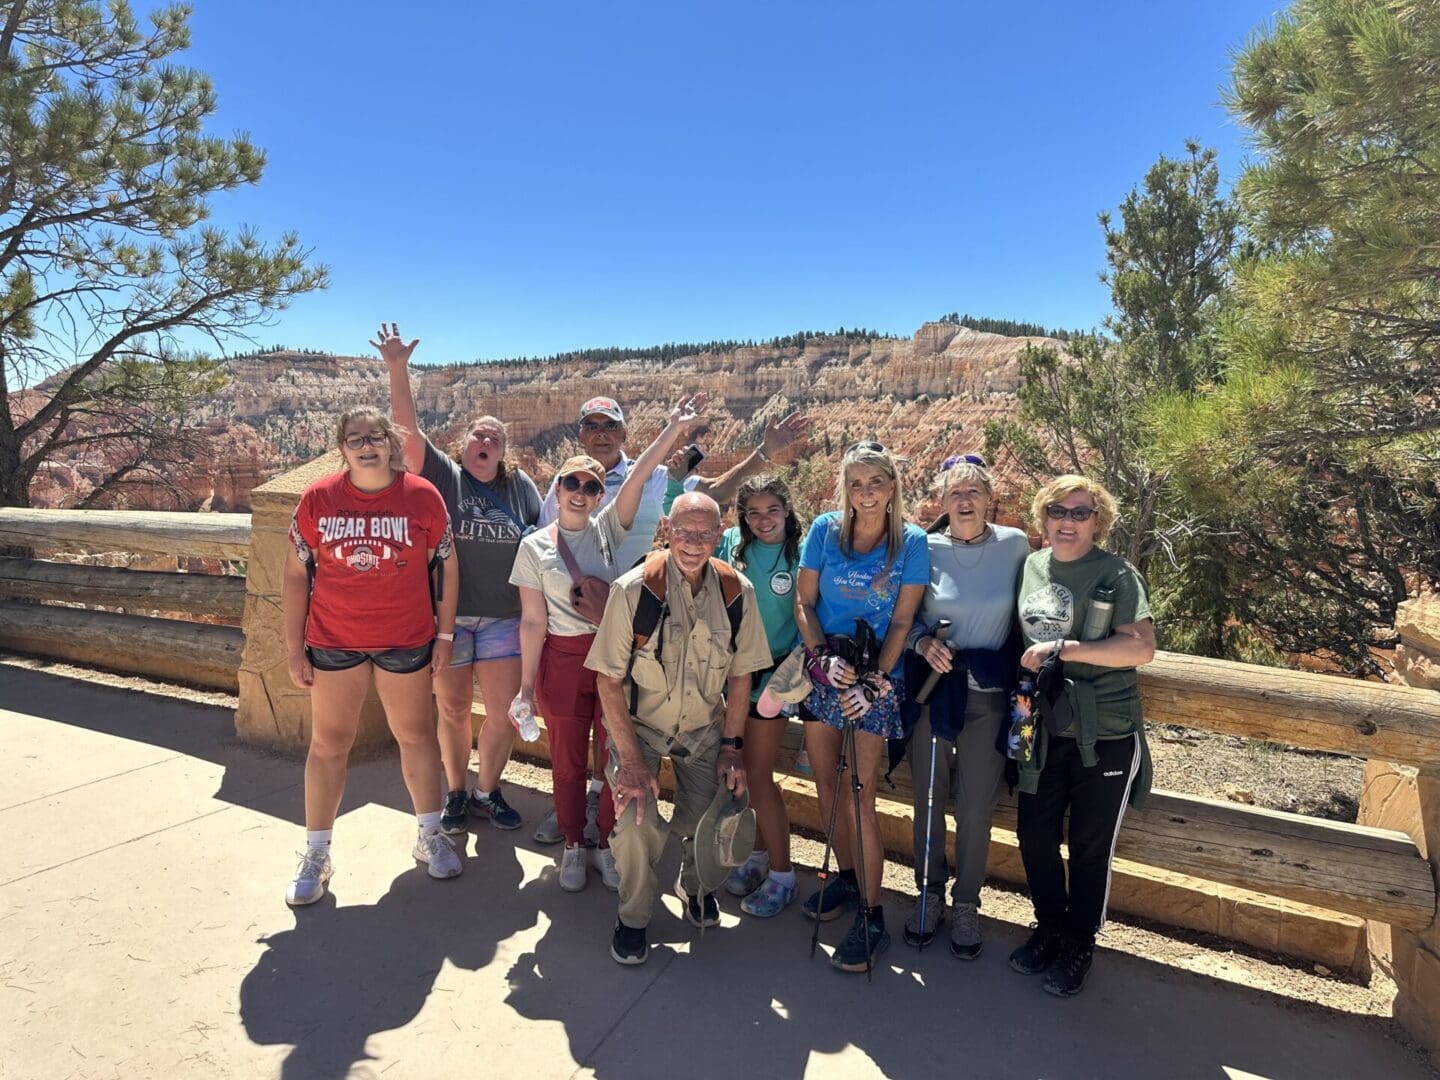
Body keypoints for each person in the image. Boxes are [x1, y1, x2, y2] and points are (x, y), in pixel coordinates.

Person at [530, 397, 808, 845]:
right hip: (578, 629)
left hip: (646, 625)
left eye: (610, 425)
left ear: (624, 432)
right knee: (574, 735)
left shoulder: (658, 476)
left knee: (619, 730)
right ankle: (574, 822)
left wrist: (761, 453)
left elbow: (711, 495)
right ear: (581, 433)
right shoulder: (566, 484)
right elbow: (548, 548)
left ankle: (607, 827)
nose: (601, 432)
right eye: (592, 424)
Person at [510, 394, 709, 893]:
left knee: (615, 757)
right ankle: (574, 844)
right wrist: (526, 688)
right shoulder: (533, 547)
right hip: (560, 657)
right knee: (567, 757)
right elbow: (532, 623)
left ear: (600, 495)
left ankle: (605, 844)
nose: (579, 492)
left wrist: (673, 429)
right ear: (555, 490)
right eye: (570, 483)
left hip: (610, 658)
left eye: (590, 486)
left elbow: (639, 474)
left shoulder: (608, 531)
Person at [282, 406, 461, 905]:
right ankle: (317, 852)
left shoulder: (422, 497)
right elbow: (296, 573)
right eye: (355, 437)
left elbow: (445, 567)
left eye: (376, 435)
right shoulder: (318, 499)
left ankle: (430, 833)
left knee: (416, 736)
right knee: (329, 743)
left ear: (391, 443)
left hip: (405, 638)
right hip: (334, 638)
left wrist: (444, 636)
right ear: (342, 447)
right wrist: (294, 647)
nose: (366, 445)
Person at [585, 491, 774, 966]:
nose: (693, 543)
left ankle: (694, 886)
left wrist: (731, 747)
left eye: (704, 534)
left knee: (724, 806)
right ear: (667, 529)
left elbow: (740, 676)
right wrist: (628, 762)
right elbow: (608, 682)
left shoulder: (737, 594)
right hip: (641, 729)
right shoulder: (634, 591)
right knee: (634, 821)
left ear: (719, 534)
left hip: (702, 730)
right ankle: (632, 917)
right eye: (684, 532)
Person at [378, 324, 541, 836]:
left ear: (504, 449)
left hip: (504, 619)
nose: (486, 442)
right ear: (465, 444)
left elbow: (544, 541)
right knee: (451, 709)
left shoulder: (521, 489)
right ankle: (454, 792)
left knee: (502, 714)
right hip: (448, 619)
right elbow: (405, 430)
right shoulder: (446, 476)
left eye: (495, 438)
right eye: (478, 435)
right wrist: (397, 369)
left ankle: (487, 791)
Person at [1009, 474, 1155, 997]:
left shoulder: (1118, 574)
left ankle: (1079, 944)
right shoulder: (1031, 566)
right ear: (1042, 517)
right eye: (1057, 511)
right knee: (1035, 835)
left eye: (1080, 512)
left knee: (1090, 847)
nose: (1067, 521)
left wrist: (1065, 650)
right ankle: (1049, 928)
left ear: (1099, 520)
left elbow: (1140, 648)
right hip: (1041, 724)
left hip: (1105, 732)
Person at [795, 442, 928, 972]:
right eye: (856, 484)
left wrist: (873, 683)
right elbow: (804, 602)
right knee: (827, 787)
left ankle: (873, 917)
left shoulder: (911, 542)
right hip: (826, 670)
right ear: (844, 489)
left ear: (892, 486)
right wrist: (821, 658)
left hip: (875, 678)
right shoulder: (825, 531)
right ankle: (848, 881)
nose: (866, 493)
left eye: (876, 482)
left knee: (858, 795)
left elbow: (901, 621)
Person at [903, 455, 1030, 957]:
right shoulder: (924, 548)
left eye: (974, 491)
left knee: (976, 809)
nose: (965, 500)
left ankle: (967, 906)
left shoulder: (1015, 544)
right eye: (955, 493)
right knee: (929, 801)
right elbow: (903, 616)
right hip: (937, 693)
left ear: (989, 498)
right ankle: (929, 895)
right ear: (942, 501)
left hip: (991, 697)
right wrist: (920, 644)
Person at [714, 474, 805, 917]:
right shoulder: (731, 543)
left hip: (774, 676)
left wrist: (788, 679)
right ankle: (757, 855)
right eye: (753, 512)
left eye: (772, 510)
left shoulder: (800, 553)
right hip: (732, 674)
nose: (763, 520)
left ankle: (784, 876)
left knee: (759, 774)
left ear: (787, 509)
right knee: (741, 774)